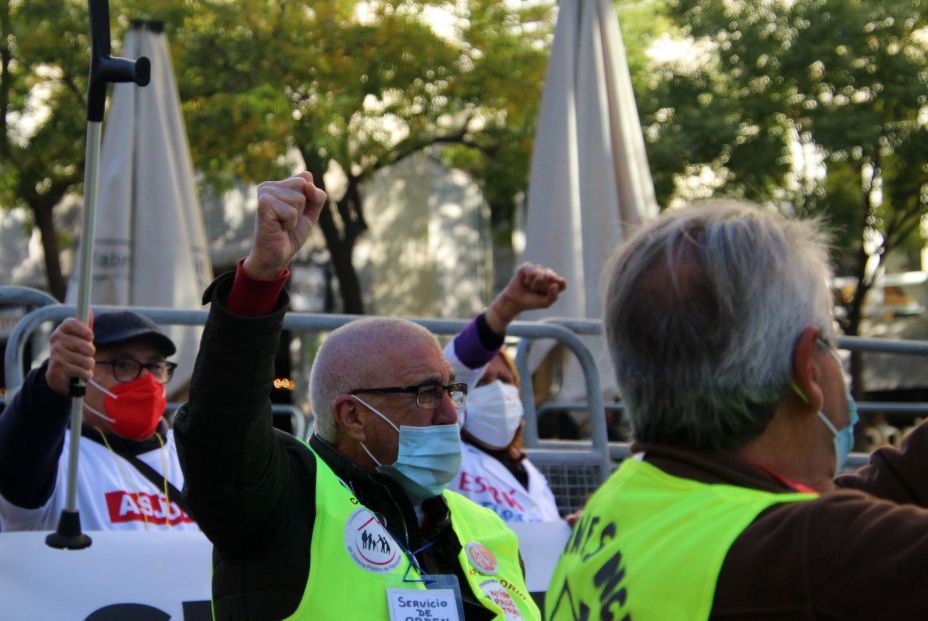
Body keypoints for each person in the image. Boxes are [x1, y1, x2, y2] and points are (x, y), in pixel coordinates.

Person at [174, 172, 541, 620]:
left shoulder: (486, 531)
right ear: (353, 416)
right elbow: (222, 431)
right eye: (426, 393)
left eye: (451, 391)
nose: (450, 415)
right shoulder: (285, 503)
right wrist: (260, 279)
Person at [546, 201, 928, 620]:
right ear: (809, 370)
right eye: (831, 346)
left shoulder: (615, 509)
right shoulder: (817, 560)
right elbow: (816, 544)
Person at [0, 310, 196, 531]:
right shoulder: (57, 459)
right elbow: (16, 456)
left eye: (154, 367)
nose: (145, 379)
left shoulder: (190, 455)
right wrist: (49, 387)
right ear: (81, 372)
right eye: (123, 365)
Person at [444, 263, 565, 523]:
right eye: (482, 381)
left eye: (504, 380)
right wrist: (506, 308)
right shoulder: (446, 455)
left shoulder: (532, 474)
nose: (498, 390)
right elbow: (454, 377)